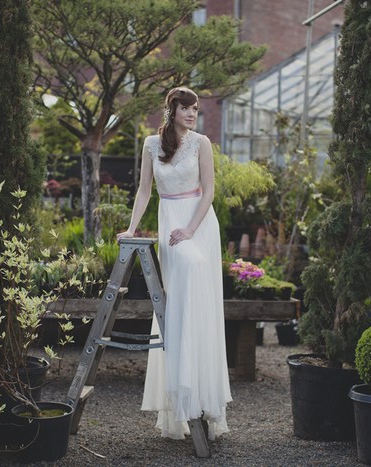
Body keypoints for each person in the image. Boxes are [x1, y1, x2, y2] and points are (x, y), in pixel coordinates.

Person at [117, 87, 232, 440]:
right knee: (181, 290)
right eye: (186, 108)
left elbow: (209, 191)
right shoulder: (152, 144)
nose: (192, 114)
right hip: (171, 222)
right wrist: (132, 228)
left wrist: (190, 229)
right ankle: (181, 390)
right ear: (172, 110)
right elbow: (144, 190)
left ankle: (202, 394)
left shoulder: (202, 143)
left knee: (197, 275)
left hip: (197, 223)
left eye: (195, 109)